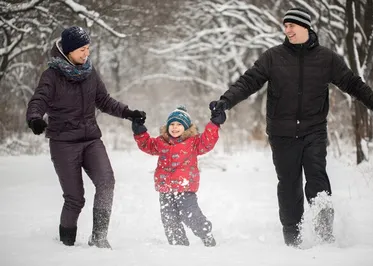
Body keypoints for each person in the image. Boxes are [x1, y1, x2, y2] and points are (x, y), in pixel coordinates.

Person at [210, 8, 373, 247]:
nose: (287, 30)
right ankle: (292, 238)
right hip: (281, 132)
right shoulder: (273, 57)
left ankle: (325, 235)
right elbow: (249, 81)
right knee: (288, 185)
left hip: (314, 130)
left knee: (317, 179)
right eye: (285, 26)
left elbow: (352, 82)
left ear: (306, 27)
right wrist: (226, 101)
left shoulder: (326, 58)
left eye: (292, 25)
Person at [26, 26, 146, 249]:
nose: (86, 53)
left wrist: (128, 113)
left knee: (106, 182)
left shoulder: (90, 72)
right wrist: (34, 118)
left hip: (91, 139)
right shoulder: (51, 76)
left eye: (88, 48)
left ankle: (99, 237)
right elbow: (38, 100)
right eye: (82, 49)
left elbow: (105, 101)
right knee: (75, 199)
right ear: (69, 51)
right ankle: (65, 245)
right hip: (63, 143)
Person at [131, 105, 226, 247]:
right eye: (172, 124)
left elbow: (208, 141)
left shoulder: (193, 142)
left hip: (185, 187)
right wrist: (139, 131)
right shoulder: (161, 142)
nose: (175, 128)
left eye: (179, 124)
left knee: (191, 215)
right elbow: (147, 145)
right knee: (169, 220)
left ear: (186, 127)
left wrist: (214, 123)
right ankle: (178, 246)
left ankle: (205, 234)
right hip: (165, 189)